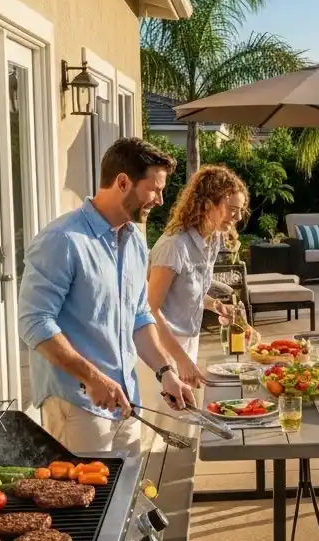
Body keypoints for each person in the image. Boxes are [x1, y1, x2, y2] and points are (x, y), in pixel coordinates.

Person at [18, 137, 196, 455]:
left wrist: (166, 372)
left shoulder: (134, 241)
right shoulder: (62, 240)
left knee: (127, 485)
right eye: (154, 189)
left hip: (126, 400)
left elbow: (139, 315)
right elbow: (34, 323)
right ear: (123, 182)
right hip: (77, 403)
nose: (160, 200)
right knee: (86, 488)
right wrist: (92, 378)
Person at [138, 164, 250, 541]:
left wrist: (217, 305)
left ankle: (173, 535)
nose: (236, 216)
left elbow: (192, 292)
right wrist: (180, 360)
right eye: (231, 208)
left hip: (186, 346)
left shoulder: (210, 240)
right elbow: (150, 310)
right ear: (207, 203)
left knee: (183, 445)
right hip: (159, 353)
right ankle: (157, 539)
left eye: (239, 209)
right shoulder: (173, 246)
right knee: (162, 448)